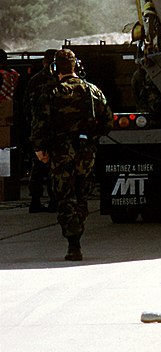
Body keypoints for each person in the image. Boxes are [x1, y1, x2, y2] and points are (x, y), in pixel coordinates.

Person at [29, 48, 113, 261]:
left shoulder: (50, 93)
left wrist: (40, 149)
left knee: (65, 196)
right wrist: (92, 139)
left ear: (55, 68)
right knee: (82, 193)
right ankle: (77, 232)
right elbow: (108, 121)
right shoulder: (93, 91)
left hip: (60, 151)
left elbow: (39, 123)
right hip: (86, 151)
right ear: (77, 66)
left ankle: (73, 242)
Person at [22, 49, 57, 213]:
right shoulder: (59, 79)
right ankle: (53, 200)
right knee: (54, 165)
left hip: (37, 129)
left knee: (38, 165)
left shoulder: (35, 80)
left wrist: (32, 124)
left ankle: (35, 200)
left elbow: (25, 105)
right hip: (55, 130)